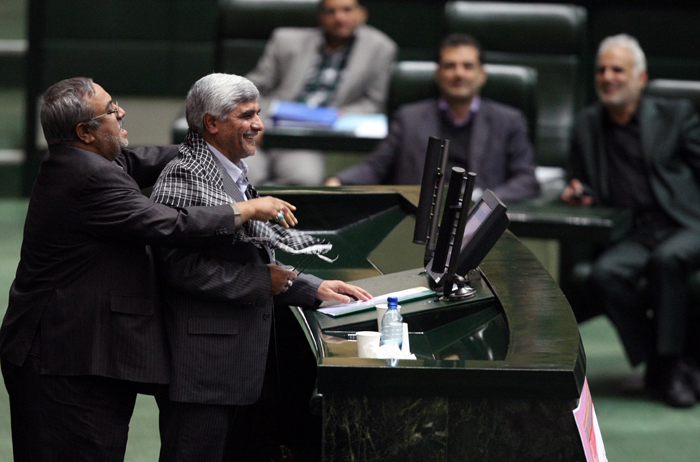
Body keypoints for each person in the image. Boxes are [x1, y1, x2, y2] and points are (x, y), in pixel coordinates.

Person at [0, 77, 294, 461]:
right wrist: (247, 208)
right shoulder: (89, 177)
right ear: (84, 132)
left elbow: (138, 160)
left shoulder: (86, 159)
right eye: (111, 110)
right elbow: (171, 224)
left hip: (77, 351)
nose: (121, 112)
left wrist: (216, 140)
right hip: (63, 359)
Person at [150, 73, 371, 461]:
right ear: (212, 123)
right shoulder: (186, 175)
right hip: (203, 374)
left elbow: (250, 255)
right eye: (246, 115)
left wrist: (313, 288)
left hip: (234, 370)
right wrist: (261, 281)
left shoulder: (227, 169)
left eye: (258, 113)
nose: (258, 125)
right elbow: (179, 268)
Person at [562, 34, 700, 408]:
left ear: (640, 78)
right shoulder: (587, 124)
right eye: (602, 70)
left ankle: (668, 368)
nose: (608, 77)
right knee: (604, 274)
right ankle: (662, 363)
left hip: (684, 222)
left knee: (668, 260)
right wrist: (577, 189)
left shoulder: (675, 115)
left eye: (618, 70)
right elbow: (578, 177)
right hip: (634, 231)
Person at [325, 33, 540, 204]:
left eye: (467, 66)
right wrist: (339, 181)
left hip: (478, 221)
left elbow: (526, 180)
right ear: (438, 74)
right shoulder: (409, 118)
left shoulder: (509, 120)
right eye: (450, 66)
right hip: (418, 219)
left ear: (482, 75)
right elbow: (375, 168)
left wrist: (480, 202)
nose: (458, 74)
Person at [245, 0, 397, 186]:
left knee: (304, 179)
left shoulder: (380, 47)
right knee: (242, 175)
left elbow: (373, 102)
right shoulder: (286, 40)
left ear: (362, 14)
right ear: (321, 17)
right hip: (266, 124)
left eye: (347, 10)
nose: (339, 17)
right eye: (331, 12)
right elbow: (252, 87)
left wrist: (341, 115)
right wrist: (252, 120)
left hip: (309, 137)